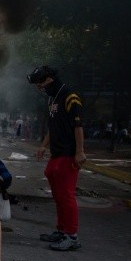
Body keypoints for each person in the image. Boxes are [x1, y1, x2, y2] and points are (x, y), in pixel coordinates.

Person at [27, 65, 86, 251]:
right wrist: (43, 146)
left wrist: (80, 151)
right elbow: (53, 127)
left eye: (40, 84)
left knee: (66, 196)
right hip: (56, 153)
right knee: (57, 192)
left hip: (68, 154)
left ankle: (72, 236)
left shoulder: (70, 97)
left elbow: (78, 127)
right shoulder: (52, 99)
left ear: (49, 80)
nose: (40, 88)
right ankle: (61, 231)